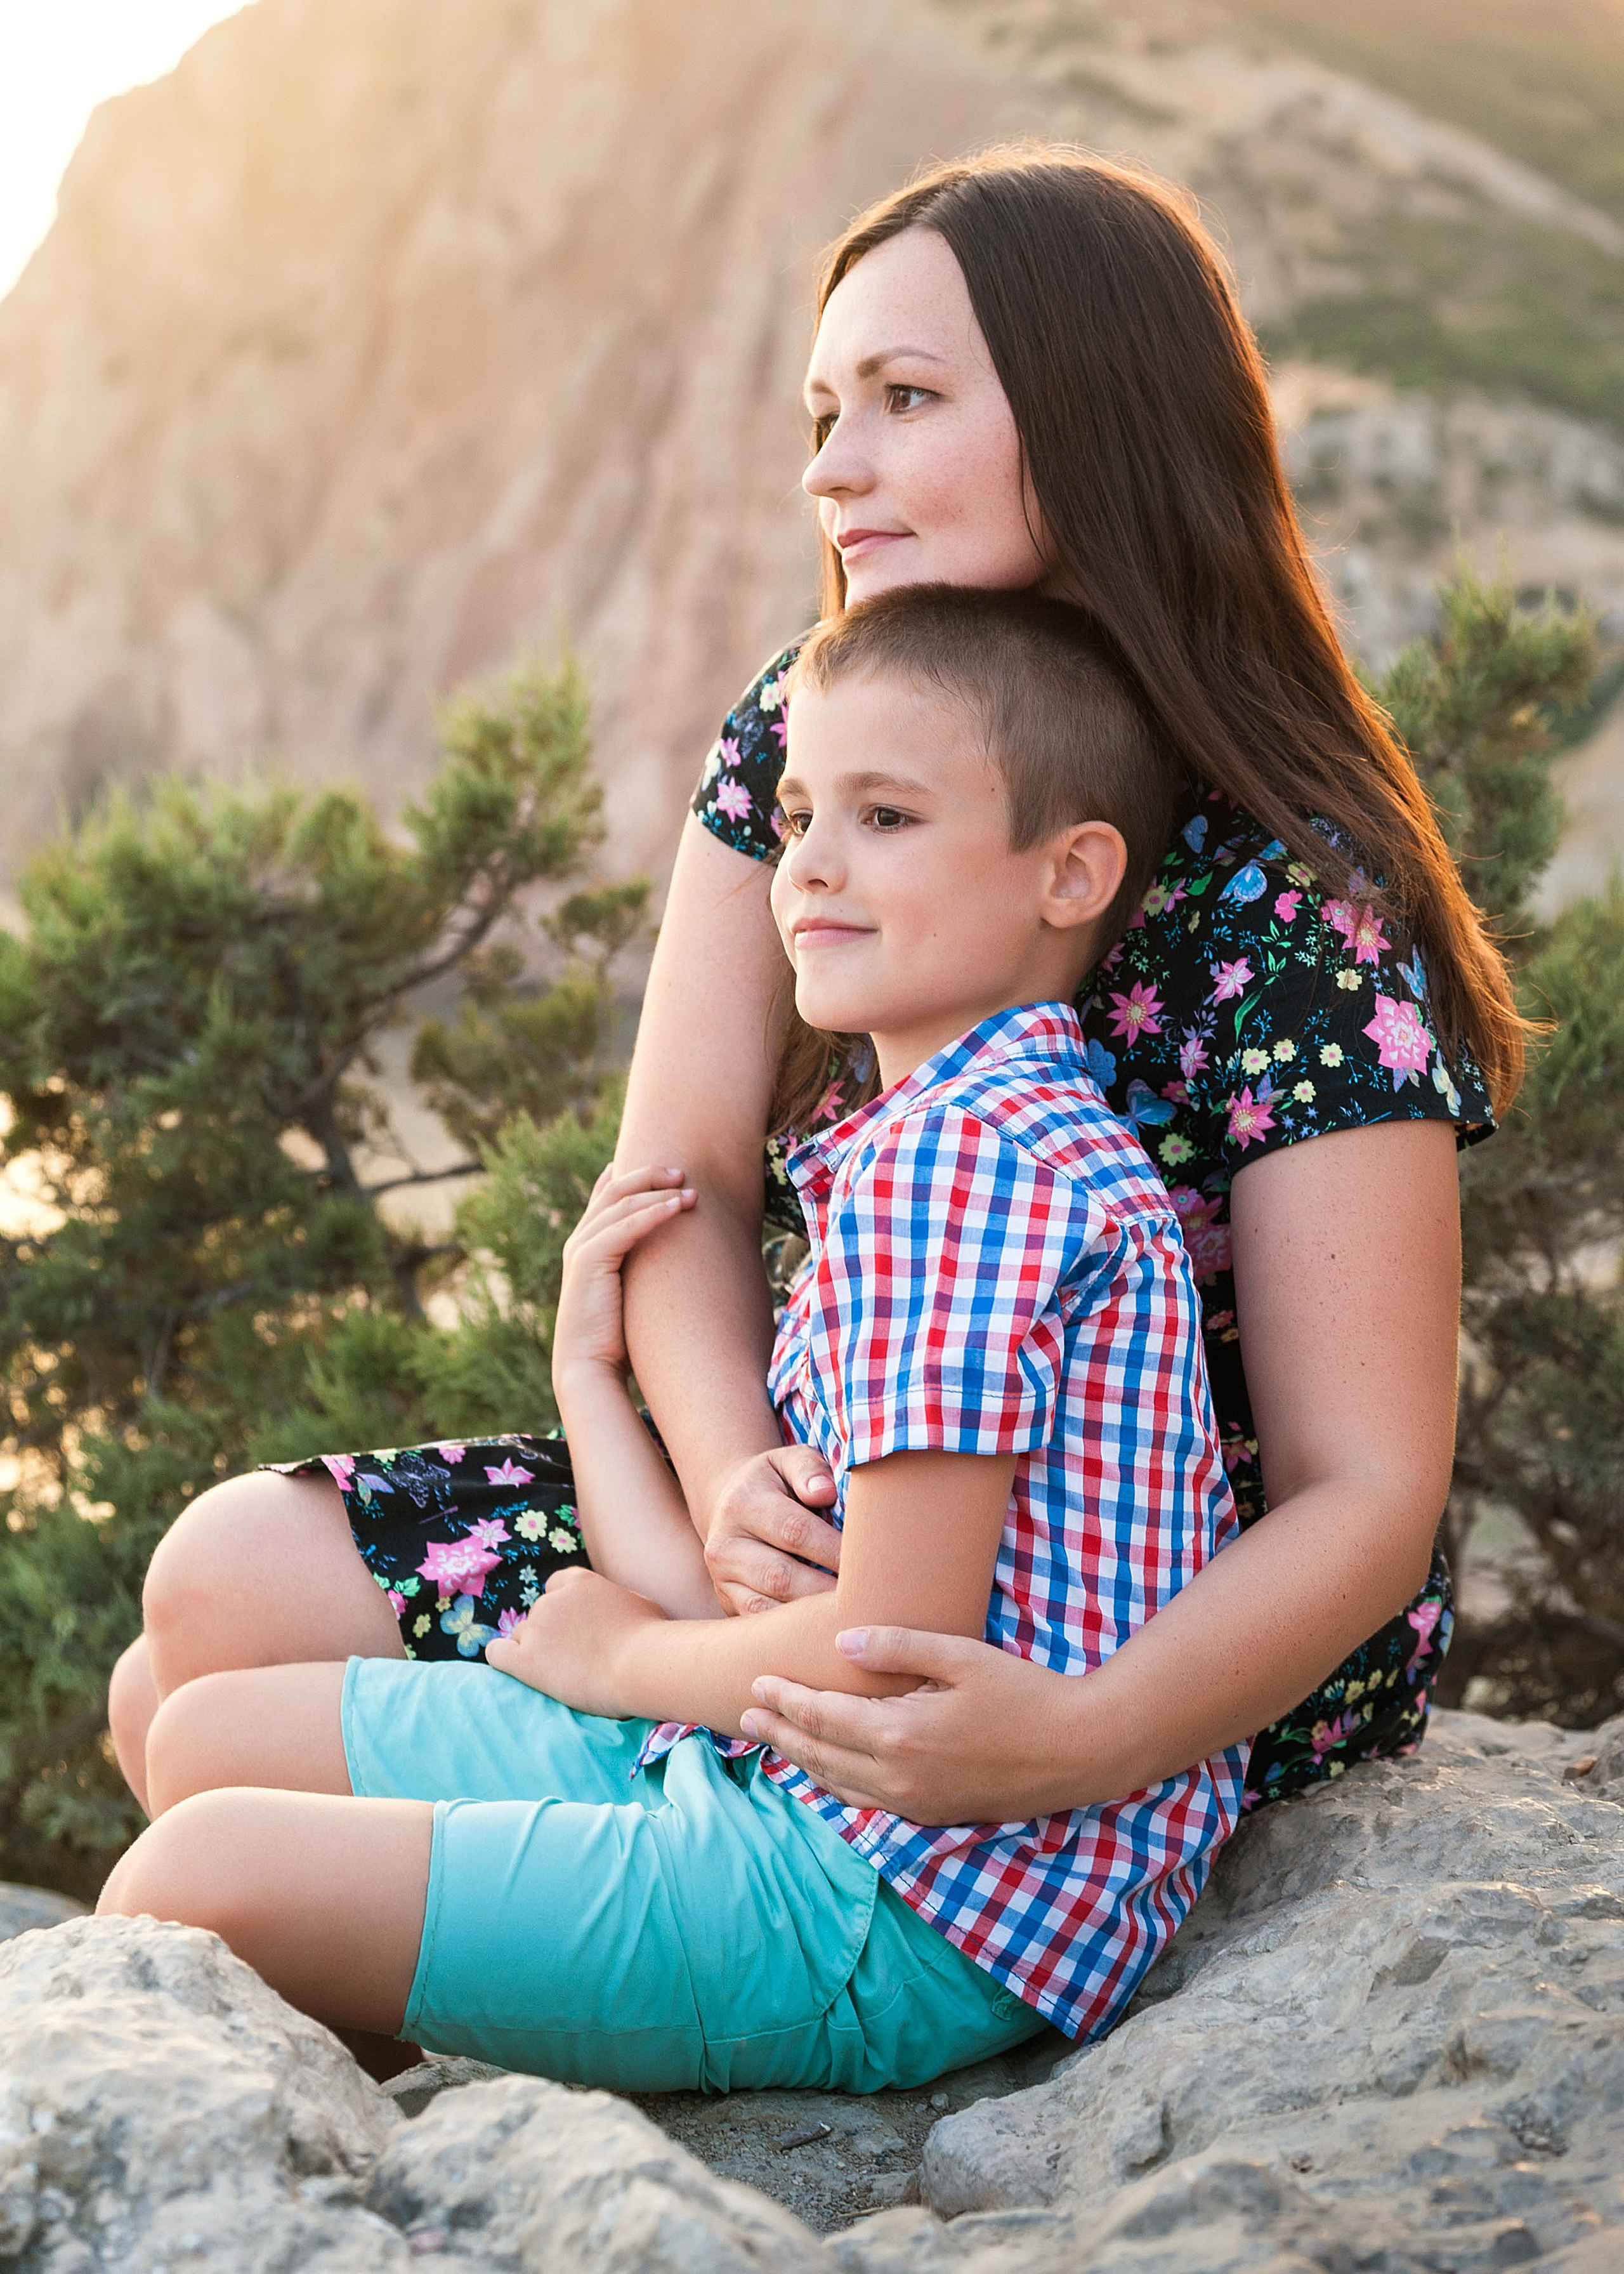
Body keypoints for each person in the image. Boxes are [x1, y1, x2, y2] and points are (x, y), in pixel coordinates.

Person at [108, 145, 1509, 1833]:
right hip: (834, 1515)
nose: (837, 471)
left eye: (905, 399)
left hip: (1133, 1629)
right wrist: (731, 1493)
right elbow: (674, 1189)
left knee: (222, 1668)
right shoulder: (803, 723)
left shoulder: (1296, 872)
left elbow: (1366, 1489)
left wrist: (1079, 1739)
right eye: (820, 418)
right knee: (205, 1611)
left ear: (1102, 417)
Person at [102, 588, 1245, 2089]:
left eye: (885, 818)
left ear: (1069, 872)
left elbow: (877, 1659)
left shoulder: (968, 1170)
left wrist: (620, 1659)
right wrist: (594, 1383)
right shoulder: (952, 1126)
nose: (808, 868)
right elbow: (738, 1593)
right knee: (202, 1739)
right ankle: (446, 2006)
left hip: (898, 1900)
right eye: (794, 814)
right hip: (776, 1776)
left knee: (200, 1870)